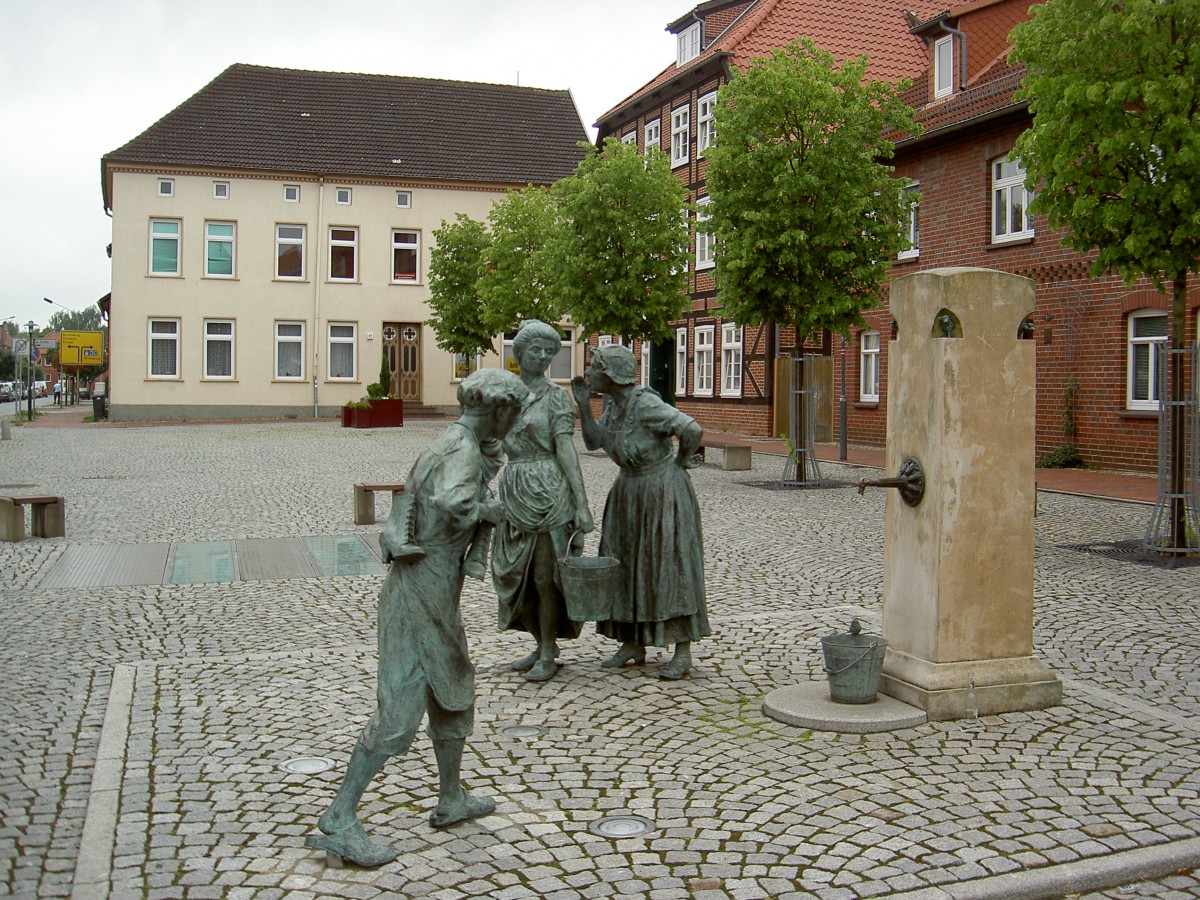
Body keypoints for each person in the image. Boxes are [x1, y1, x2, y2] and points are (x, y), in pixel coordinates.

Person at [308, 368, 530, 868]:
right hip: (418, 593)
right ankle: (340, 818)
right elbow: (453, 500)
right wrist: (488, 512)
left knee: (452, 686)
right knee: (400, 710)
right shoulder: (464, 451)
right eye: (512, 415)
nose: (513, 424)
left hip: (432, 587)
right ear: (499, 411)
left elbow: (407, 498)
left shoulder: (454, 441)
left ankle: (451, 798)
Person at [571, 344, 710, 680]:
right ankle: (632, 642)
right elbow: (594, 442)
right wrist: (584, 408)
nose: (588, 372)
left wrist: (678, 465)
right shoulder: (614, 406)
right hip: (628, 491)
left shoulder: (645, 403)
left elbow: (691, 429)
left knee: (669, 566)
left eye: (594, 367)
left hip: (661, 490)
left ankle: (682, 647)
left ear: (611, 373)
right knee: (626, 565)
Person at [492, 319, 593, 682]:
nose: (542, 357)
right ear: (519, 352)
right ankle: (539, 641)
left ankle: (549, 650)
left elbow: (567, 451)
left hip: (549, 491)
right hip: (515, 486)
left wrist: (581, 503)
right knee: (512, 573)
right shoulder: (506, 395)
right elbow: (489, 443)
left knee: (543, 576)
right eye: (534, 349)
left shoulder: (556, 398)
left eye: (549, 352)